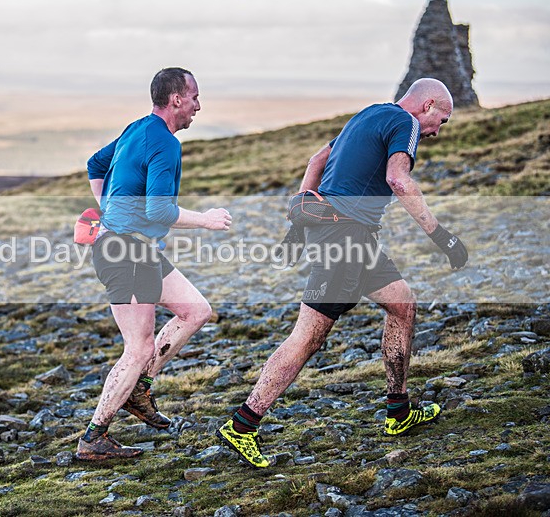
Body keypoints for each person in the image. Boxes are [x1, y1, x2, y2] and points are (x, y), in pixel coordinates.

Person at [217, 78, 469, 468]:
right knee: (308, 336)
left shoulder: (368, 114)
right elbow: (398, 180)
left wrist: (301, 217)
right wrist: (442, 237)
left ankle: (398, 412)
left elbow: (317, 160)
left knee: (403, 305)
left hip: (354, 235)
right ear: (428, 104)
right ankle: (243, 424)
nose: (438, 131)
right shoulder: (408, 124)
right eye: (443, 120)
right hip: (344, 237)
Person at [75, 67, 233, 460]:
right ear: (176, 98)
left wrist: (108, 208)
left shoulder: (137, 128)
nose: (199, 104)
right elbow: (160, 209)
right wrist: (207, 220)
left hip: (138, 250)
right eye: (194, 96)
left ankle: (139, 389)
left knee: (196, 310)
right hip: (124, 252)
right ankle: (94, 437)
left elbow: (96, 164)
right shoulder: (165, 143)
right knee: (138, 347)